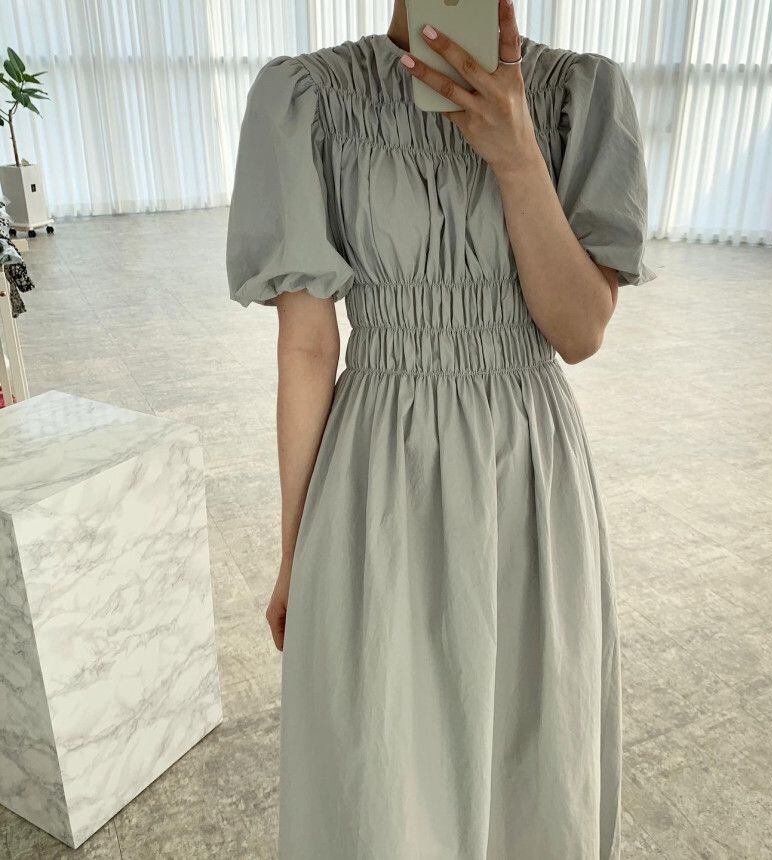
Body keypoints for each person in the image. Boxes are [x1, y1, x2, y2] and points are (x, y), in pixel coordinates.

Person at [225, 0, 655, 856]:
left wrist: (518, 153)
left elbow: (579, 332)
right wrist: (295, 551)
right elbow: (307, 347)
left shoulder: (578, 95)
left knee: (534, 749)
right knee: (385, 762)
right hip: (380, 472)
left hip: (527, 473)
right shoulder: (307, 97)